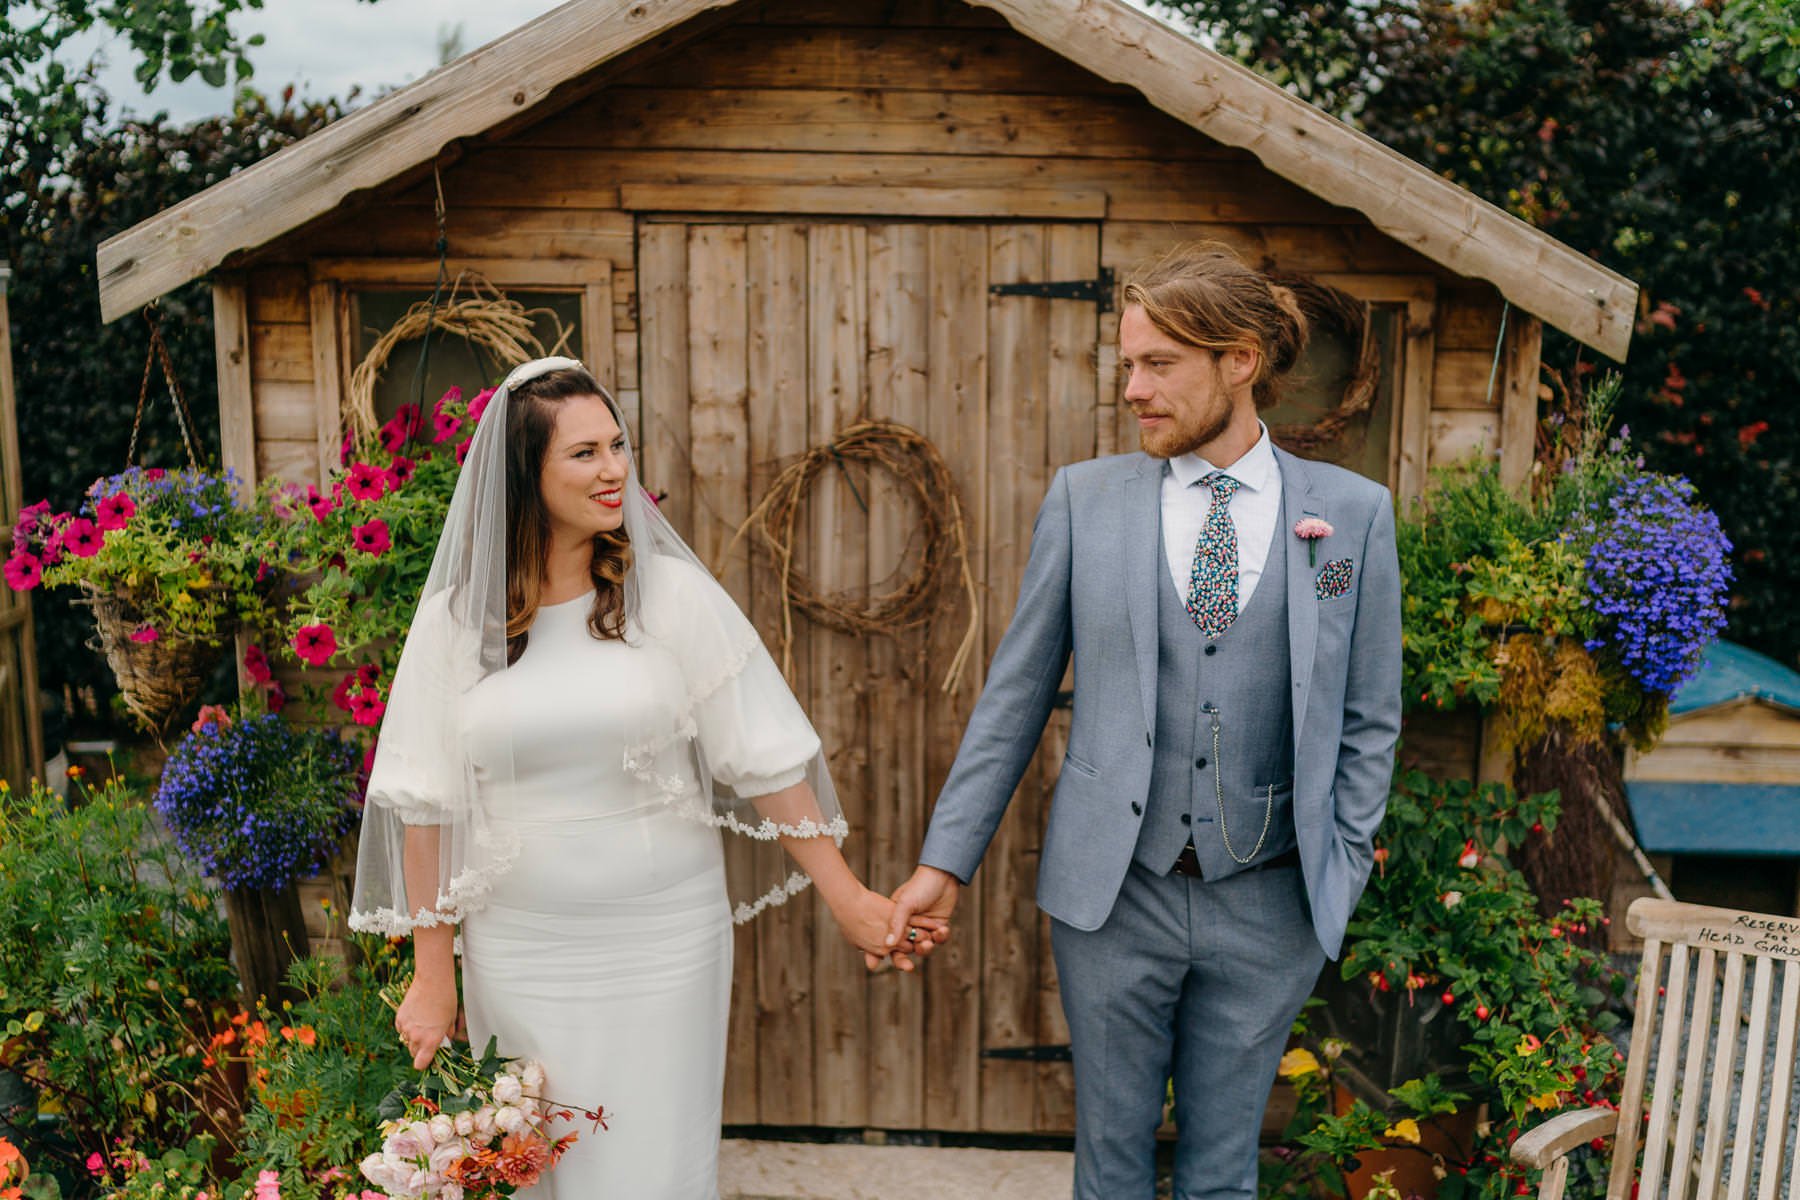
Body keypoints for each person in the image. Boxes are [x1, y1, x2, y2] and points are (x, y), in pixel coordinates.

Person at [350, 357, 941, 1197]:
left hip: (666, 945)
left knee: (655, 1168)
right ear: (528, 474)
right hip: (521, 951)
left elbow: (764, 758)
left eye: (618, 445)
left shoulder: (668, 599)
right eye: (585, 453)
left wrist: (848, 896)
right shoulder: (456, 626)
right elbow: (425, 801)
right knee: (537, 1168)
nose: (616, 469)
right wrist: (431, 973)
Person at [884, 243, 1402, 1199]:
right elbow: (1014, 696)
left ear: (1238, 362)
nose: (1132, 389)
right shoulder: (1087, 503)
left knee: (1221, 1176)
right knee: (1111, 1168)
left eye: (1158, 364)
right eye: (1127, 364)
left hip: (1272, 900)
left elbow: (1371, 715)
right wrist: (941, 863)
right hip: (1114, 898)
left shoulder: (1353, 516)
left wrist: (1345, 856)